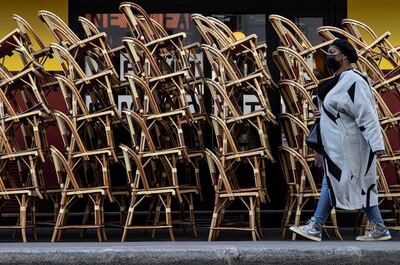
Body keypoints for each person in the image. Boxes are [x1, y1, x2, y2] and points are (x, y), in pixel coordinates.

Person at [289, 38, 391, 241]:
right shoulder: (337, 81)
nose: (328, 55)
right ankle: (379, 228)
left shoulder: (355, 80)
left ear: (343, 55)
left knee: (334, 181)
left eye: (332, 51)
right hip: (337, 146)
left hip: (350, 146)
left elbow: (366, 113)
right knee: (356, 183)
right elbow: (340, 111)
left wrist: (377, 144)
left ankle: (315, 226)